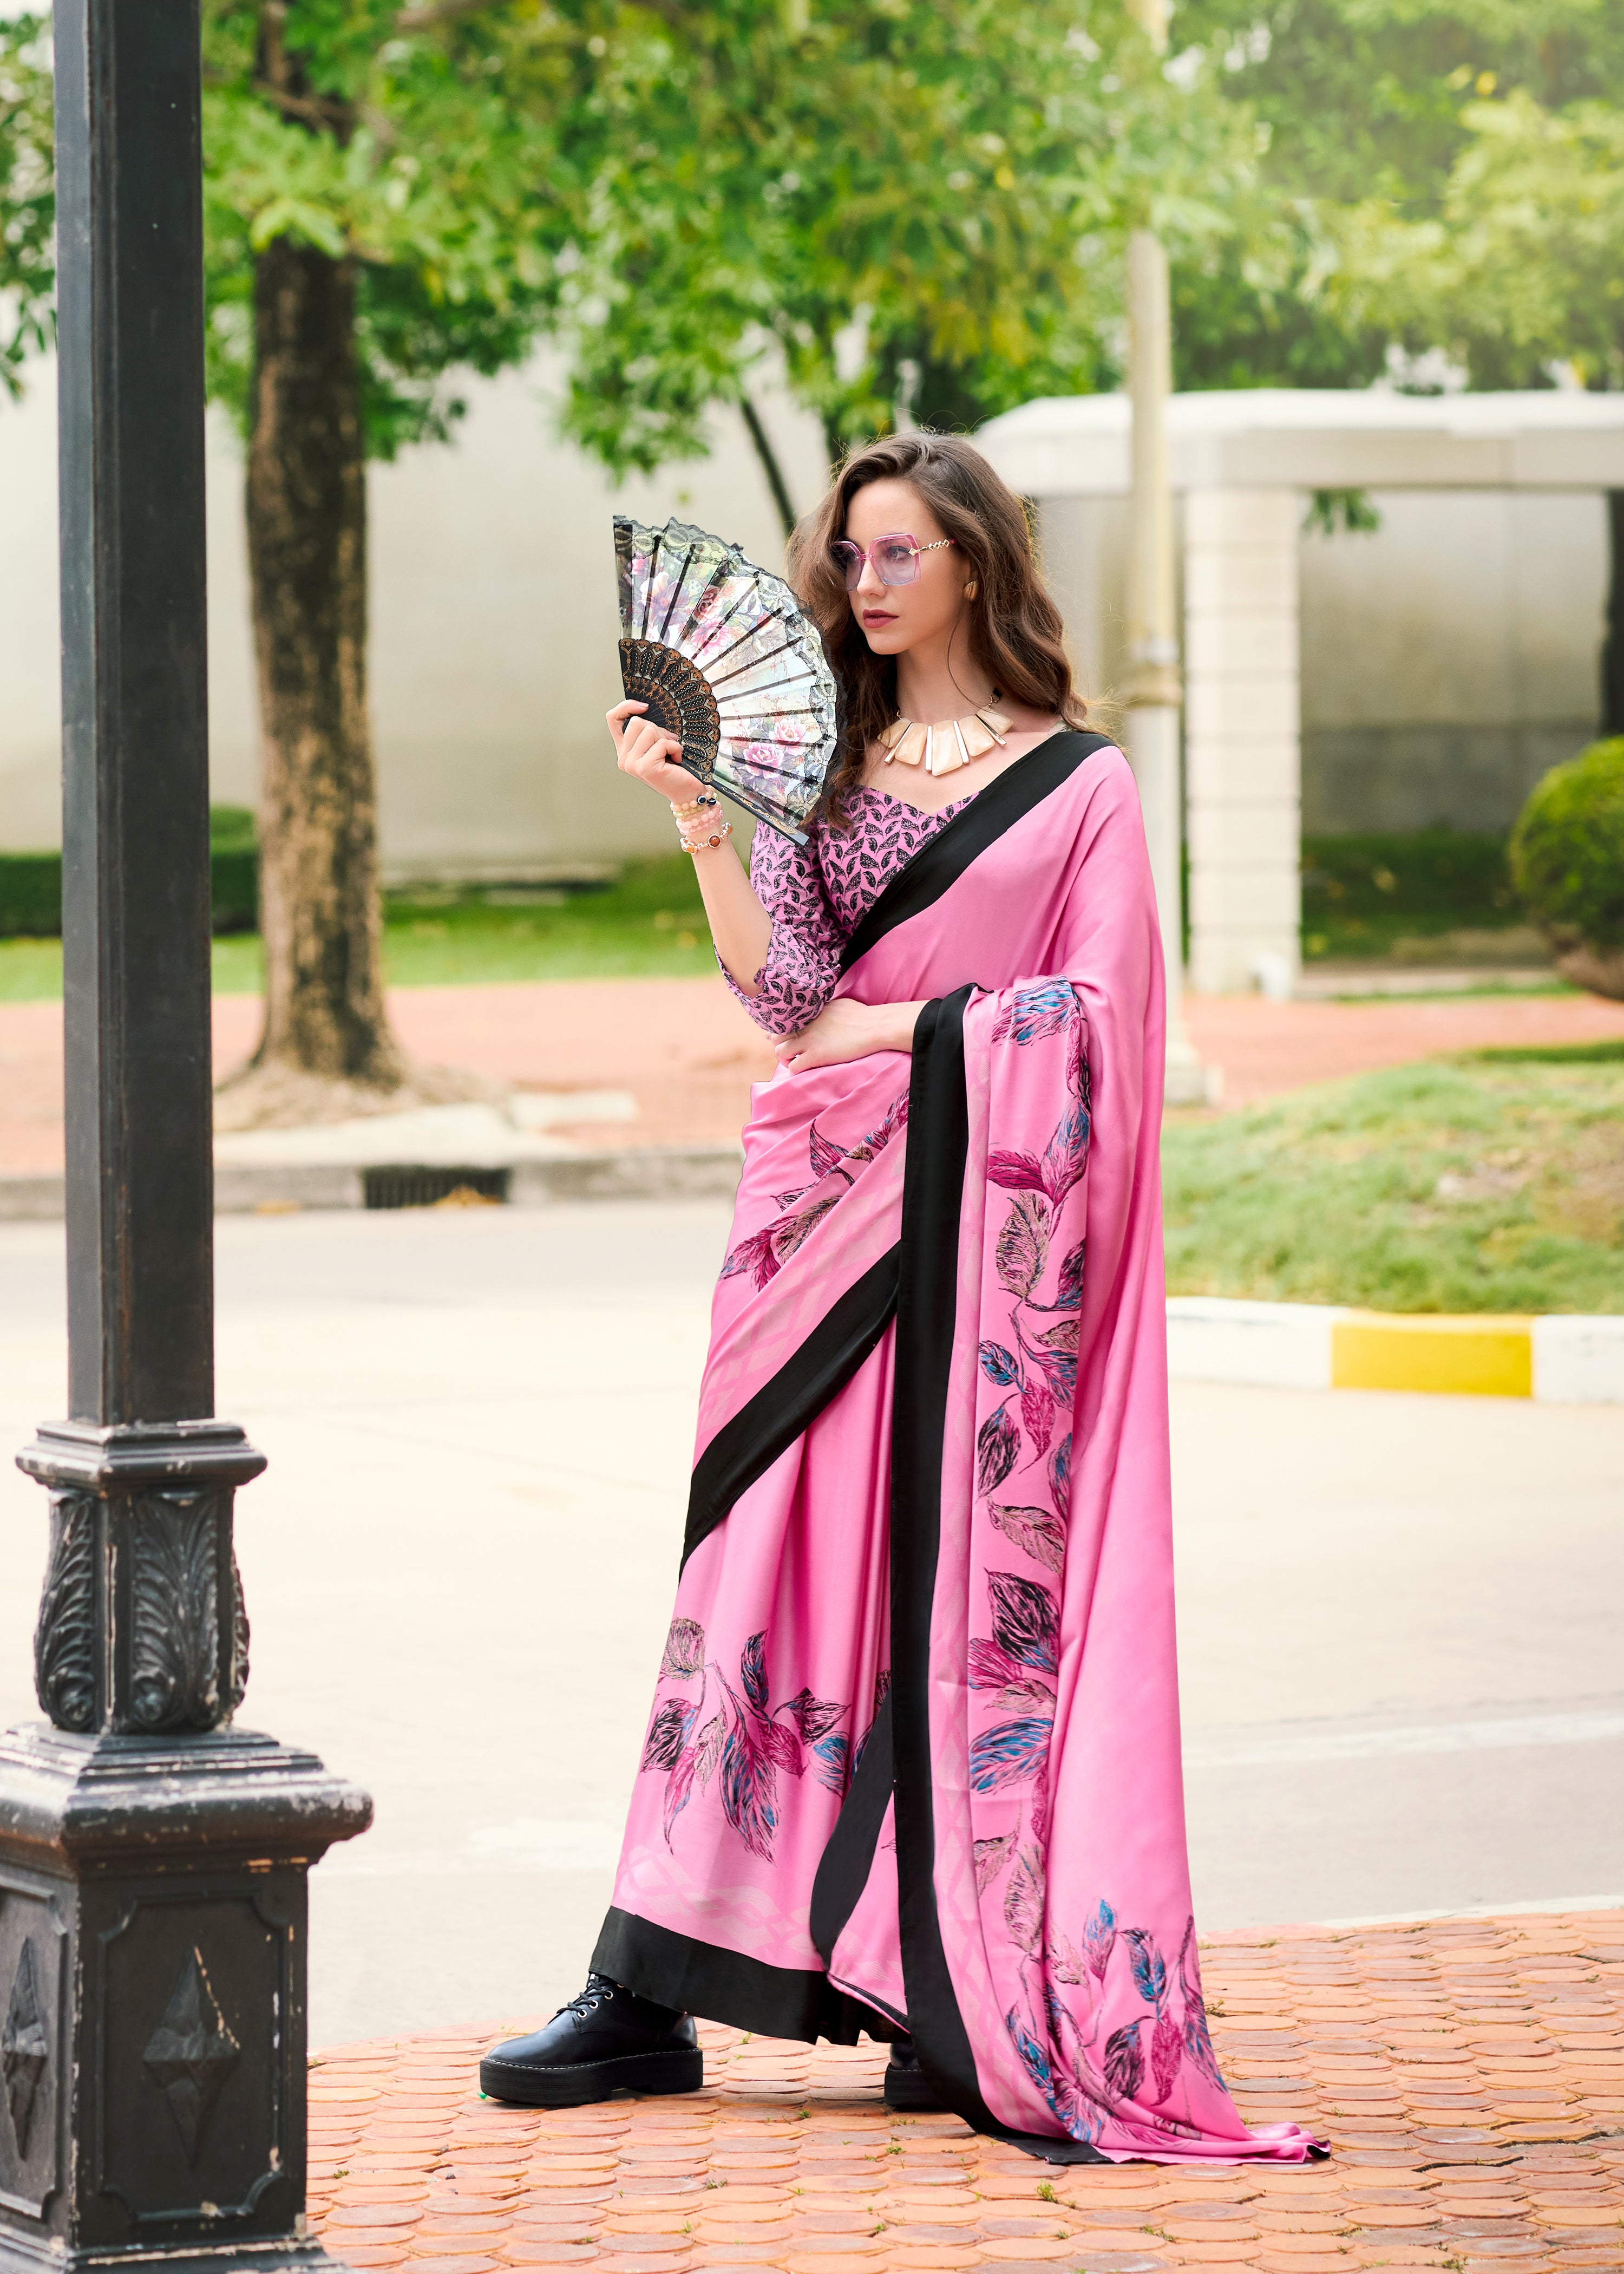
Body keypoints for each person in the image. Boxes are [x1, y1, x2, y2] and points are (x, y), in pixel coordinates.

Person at [481, 433, 1319, 2166]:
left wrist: (922, 1032)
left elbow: (1099, 1031)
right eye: (850, 554)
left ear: (976, 567)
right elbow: (785, 996)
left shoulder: (1082, 786)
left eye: (898, 554)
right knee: (757, 1578)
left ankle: (939, 1981)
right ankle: (643, 1982)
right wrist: (703, 818)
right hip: (821, 1230)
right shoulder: (831, 768)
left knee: (941, 1605)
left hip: (983, 1252)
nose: (864, 582)